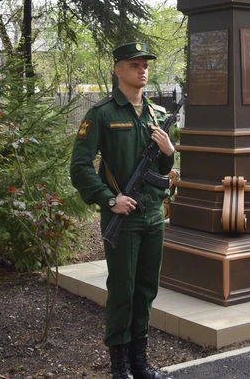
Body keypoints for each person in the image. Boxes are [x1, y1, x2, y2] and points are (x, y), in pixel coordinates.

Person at [70, 42, 176, 379]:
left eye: (144, 64)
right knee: (123, 289)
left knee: (146, 288)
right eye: (134, 65)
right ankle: (120, 365)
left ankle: (139, 361)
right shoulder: (101, 114)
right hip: (122, 216)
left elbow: (162, 166)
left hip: (153, 214)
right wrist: (108, 199)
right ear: (118, 70)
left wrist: (170, 151)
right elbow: (80, 166)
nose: (142, 69)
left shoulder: (157, 114)